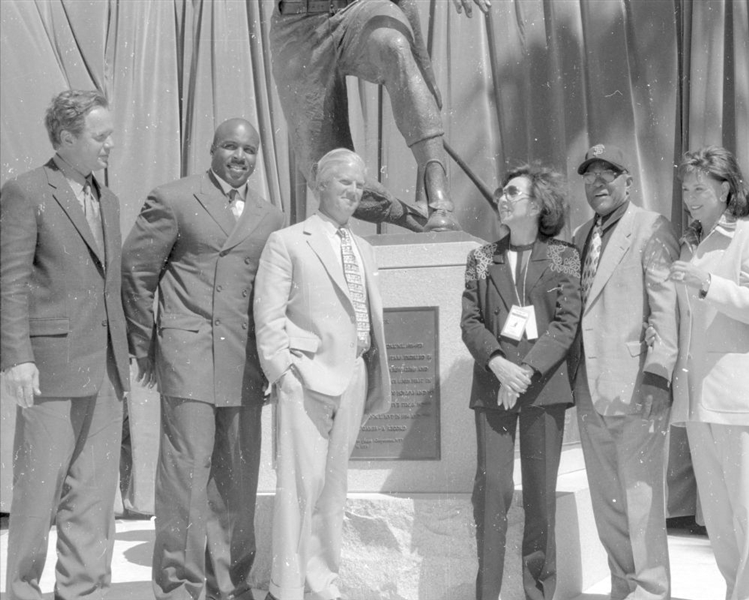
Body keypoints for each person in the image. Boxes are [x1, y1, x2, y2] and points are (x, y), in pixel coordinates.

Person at [121, 118, 285, 600]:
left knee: (238, 479)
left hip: (245, 363)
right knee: (185, 477)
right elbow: (136, 272)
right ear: (212, 150)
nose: (241, 156)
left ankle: (229, 586)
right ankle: (178, 586)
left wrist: (273, 361)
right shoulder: (173, 198)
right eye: (231, 146)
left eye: (250, 150)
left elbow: (272, 296)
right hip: (186, 355)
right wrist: (145, 345)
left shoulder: (270, 216)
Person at [1, 89, 131, 599]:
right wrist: (17, 358)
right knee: (37, 494)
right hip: (49, 367)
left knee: (94, 495)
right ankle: (23, 591)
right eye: (101, 137)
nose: (110, 145)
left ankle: (83, 590)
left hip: (105, 368)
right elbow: (9, 282)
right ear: (65, 138)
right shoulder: (26, 191)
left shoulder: (109, 199)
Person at [253, 148, 391, 600]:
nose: (353, 191)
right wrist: (284, 373)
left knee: (334, 490)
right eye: (344, 182)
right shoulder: (289, 240)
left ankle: (323, 584)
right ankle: (287, 589)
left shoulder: (365, 248)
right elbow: (268, 316)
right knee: (298, 491)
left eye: (359, 184)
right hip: (306, 379)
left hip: (354, 377)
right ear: (321, 186)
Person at [460, 165, 581, 599]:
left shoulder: (565, 255)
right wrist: (498, 364)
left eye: (513, 192)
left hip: (542, 390)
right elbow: (470, 321)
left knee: (539, 499)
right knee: (491, 493)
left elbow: (566, 324)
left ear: (538, 204)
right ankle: (487, 593)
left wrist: (525, 371)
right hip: (493, 388)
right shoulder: (479, 258)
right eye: (502, 191)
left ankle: (538, 593)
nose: (502, 197)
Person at [270, 0, 490, 232]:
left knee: (392, 46)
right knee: (325, 175)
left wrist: (422, 66)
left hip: (358, 8)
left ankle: (439, 201)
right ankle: (417, 221)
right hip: (296, 26)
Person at [568, 143, 679, 600]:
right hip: (589, 389)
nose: (598, 183)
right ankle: (623, 586)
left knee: (641, 497)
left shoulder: (650, 226)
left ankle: (651, 589)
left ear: (628, 182)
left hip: (637, 386)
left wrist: (658, 373)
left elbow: (666, 303)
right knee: (608, 500)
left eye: (608, 173)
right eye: (590, 175)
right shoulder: (580, 236)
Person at [667, 146, 749, 599]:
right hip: (697, 399)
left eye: (700, 187)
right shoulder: (688, 243)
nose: (690, 196)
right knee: (716, 513)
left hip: (739, 397)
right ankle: (734, 591)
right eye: (686, 188)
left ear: (726, 188)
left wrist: (708, 284)